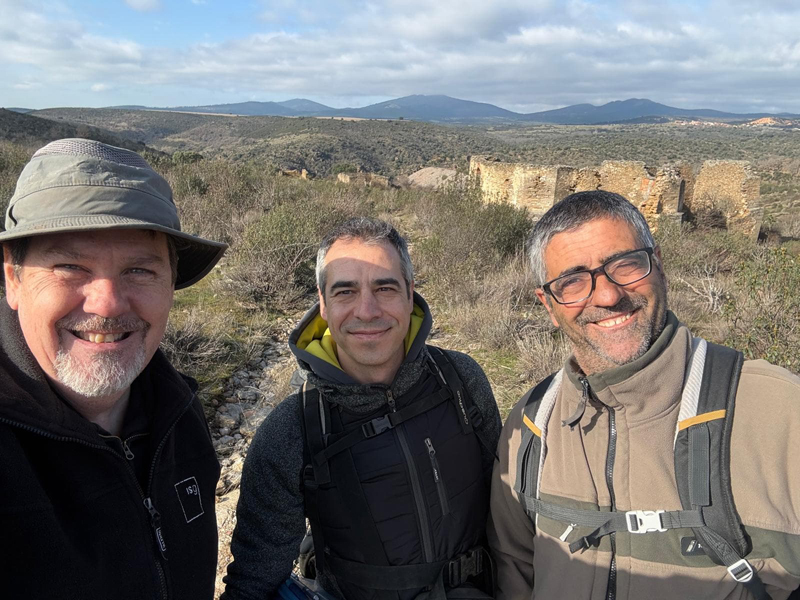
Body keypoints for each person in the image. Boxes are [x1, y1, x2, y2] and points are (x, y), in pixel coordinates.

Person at [488, 191, 800, 600]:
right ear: (549, 305)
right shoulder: (531, 426)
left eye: (625, 264)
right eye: (572, 281)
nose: (607, 296)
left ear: (659, 267)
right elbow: (514, 573)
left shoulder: (780, 411)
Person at [222, 217, 502, 600]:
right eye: (345, 292)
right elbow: (254, 582)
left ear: (410, 294)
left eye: (385, 288)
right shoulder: (291, 430)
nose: (367, 311)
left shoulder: (460, 379)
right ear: (323, 304)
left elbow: (508, 513)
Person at [0, 138, 228, 599]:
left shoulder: (179, 410)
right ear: (13, 280)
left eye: (139, 271)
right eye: (70, 266)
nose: (107, 304)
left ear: (170, 283)